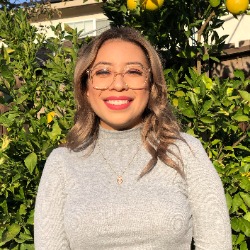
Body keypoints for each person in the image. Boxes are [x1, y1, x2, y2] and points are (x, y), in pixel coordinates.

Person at [34, 27, 232, 249]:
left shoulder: (184, 152)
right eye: (103, 72)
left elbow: (217, 243)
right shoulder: (62, 163)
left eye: (134, 72)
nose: (118, 85)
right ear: (86, 87)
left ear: (151, 84)